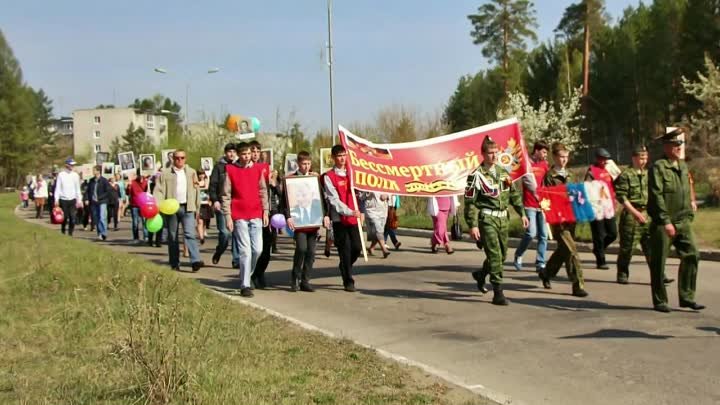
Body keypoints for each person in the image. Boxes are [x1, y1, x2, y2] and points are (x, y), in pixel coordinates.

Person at [464, 136, 528, 305]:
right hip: (487, 219)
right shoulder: (475, 176)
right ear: (483, 154)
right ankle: (498, 292)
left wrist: (521, 213)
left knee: (502, 255)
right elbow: (469, 203)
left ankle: (481, 274)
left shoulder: (503, 173)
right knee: (494, 254)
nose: (493, 156)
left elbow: (513, 194)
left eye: (496, 153)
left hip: (503, 219)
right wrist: (472, 225)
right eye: (490, 153)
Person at [647, 129, 703, 313]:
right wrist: (665, 221)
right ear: (666, 147)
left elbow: (688, 188)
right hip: (664, 223)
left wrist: (691, 203)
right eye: (675, 145)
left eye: (680, 145)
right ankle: (660, 300)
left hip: (683, 220)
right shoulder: (658, 167)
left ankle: (687, 297)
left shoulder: (682, 166)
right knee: (659, 262)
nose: (679, 148)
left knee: (692, 254)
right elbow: (657, 196)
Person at [537, 143, 589, 297]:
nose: (564, 160)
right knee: (572, 252)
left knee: (563, 250)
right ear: (554, 157)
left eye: (566, 157)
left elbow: (577, 194)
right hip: (558, 220)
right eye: (561, 156)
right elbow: (544, 197)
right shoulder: (549, 176)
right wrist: (549, 215)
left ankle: (546, 273)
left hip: (571, 218)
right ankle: (577, 284)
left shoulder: (571, 174)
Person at [223, 142, 269, 298]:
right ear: (238, 155)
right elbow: (226, 195)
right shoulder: (231, 170)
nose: (246, 157)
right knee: (245, 251)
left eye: (248, 154)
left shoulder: (257, 170)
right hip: (239, 215)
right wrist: (228, 216)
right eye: (243, 154)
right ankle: (245, 285)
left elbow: (263, 191)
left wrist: (265, 211)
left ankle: (246, 273)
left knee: (258, 249)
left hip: (256, 213)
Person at [283, 151, 329, 292]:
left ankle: (305, 280)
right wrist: (288, 216)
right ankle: (295, 277)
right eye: (303, 164)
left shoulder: (314, 179)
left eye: (308, 164)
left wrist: (326, 215)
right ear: (298, 164)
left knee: (311, 252)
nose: (306, 166)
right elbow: (285, 202)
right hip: (299, 224)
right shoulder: (291, 179)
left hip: (313, 224)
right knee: (301, 249)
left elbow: (322, 199)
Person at [153, 149, 204, 272]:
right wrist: (159, 205)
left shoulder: (191, 172)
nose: (179, 160)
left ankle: (195, 260)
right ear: (173, 159)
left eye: (182, 158)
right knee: (172, 236)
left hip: (188, 207)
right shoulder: (165, 173)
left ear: (185, 159)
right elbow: (158, 190)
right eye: (177, 158)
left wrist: (197, 208)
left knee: (190, 234)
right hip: (171, 208)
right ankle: (174, 262)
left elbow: (196, 190)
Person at [323, 145, 363, 292]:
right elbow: (333, 200)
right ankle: (348, 280)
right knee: (344, 250)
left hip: (353, 218)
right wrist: (349, 211)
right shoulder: (328, 177)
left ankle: (344, 265)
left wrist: (359, 210)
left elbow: (360, 193)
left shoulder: (352, 174)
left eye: (344, 155)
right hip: (340, 219)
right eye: (339, 156)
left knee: (357, 248)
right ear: (333, 157)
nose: (342, 158)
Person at [513, 141, 550, 272]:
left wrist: (547, 199)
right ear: (537, 150)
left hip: (542, 204)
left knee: (543, 235)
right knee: (531, 233)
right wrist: (536, 195)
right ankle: (518, 254)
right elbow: (526, 181)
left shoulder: (545, 165)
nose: (545, 155)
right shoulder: (527, 164)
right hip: (529, 204)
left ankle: (540, 262)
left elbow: (547, 183)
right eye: (544, 152)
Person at [249, 140, 278, 289]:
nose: (254, 154)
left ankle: (260, 272)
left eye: (257, 151)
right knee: (254, 248)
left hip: (267, 212)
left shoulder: (266, 168)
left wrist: (274, 183)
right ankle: (252, 275)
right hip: (252, 212)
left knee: (267, 248)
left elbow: (273, 191)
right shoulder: (245, 169)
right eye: (252, 151)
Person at [585, 148, 618, 269]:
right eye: (603, 159)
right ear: (597, 159)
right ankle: (601, 260)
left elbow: (617, 182)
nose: (605, 162)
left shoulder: (610, 168)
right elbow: (587, 188)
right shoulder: (591, 171)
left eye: (606, 159)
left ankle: (598, 249)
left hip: (609, 206)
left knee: (613, 233)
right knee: (599, 234)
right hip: (596, 207)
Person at [210, 143, 240, 268]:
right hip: (222, 203)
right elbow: (212, 186)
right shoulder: (219, 167)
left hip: (236, 203)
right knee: (225, 233)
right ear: (225, 153)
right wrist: (215, 200)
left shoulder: (240, 166)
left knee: (236, 233)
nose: (231, 154)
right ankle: (219, 250)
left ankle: (236, 259)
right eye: (229, 152)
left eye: (234, 151)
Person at [54, 158, 83, 236]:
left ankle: (70, 233)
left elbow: (77, 189)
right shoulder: (61, 175)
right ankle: (63, 230)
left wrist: (79, 200)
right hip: (63, 199)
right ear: (66, 165)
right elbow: (58, 188)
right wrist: (56, 199)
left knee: (72, 218)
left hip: (72, 199)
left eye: (73, 165)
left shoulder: (75, 175)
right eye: (71, 165)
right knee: (65, 217)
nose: (72, 166)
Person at [359, 191, 391, 258]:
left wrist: (387, 195)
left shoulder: (385, 182)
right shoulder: (365, 183)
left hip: (383, 211)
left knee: (379, 232)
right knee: (377, 230)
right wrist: (367, 193)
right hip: (371, 211)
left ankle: (371, 248)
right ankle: (384, 249)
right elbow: (360, 197)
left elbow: (392, 191)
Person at [85, 165, 111, 241]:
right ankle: (99, 233)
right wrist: (86, 199)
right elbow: (88, 191)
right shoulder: (91, 181)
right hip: (94, 202)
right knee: (96, 218)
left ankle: (104, 233)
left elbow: (108, 191)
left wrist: (101, 197)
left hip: (102, 202)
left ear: (98, 171)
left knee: (102, 217)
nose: (93, 172)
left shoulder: (104, 181)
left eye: (94, 170)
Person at [127, 169, 150, 243]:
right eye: (139, 175)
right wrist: (129, 185)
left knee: (145, 222)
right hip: (134, 205)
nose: (141, 176)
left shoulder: (146, 182)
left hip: (143, 205)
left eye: (142, 175)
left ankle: (146, 236)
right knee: (135, 222)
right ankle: (136, 237)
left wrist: (147, 182)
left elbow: (148, 192)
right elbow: (128, 192)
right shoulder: (133, 182)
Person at [197, 171, 212, 244]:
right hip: (198, 204)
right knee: (200, 221)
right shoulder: (196, 181)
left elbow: (207, 187)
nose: (201, 176)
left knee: (205, 221)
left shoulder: (207, 180)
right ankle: (201, 237)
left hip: (206, 203)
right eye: (200, 174)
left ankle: (203, 232)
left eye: (202, 174)